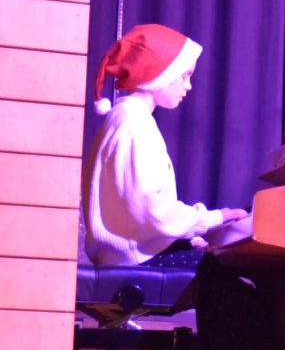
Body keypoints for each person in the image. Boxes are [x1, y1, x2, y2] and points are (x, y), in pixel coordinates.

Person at [82, 22, 248, 267]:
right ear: (158, 75)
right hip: (135, 259)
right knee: (233, 272)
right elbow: (152, 209)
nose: (188, 86)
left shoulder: (129, 117)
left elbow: (143, 214)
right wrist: (212, 218)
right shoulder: (133, 123)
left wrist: (187, 237)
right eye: (184, 76)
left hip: (135, 252)